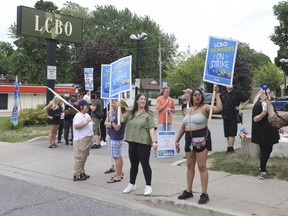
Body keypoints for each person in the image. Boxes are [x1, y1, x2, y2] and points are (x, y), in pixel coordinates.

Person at [175, 86, 222, 204]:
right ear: (192, 97)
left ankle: (204, 194)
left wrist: (216, 94)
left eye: (199, 95)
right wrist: (176, 140)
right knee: (190, 165)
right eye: (195, 95)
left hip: (201, 138)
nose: (197, 96)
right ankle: (188, 191)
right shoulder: (188, 109)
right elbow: (182, 127)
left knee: (202, 166)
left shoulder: (205, 107)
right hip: (188, 139)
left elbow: (219, 108)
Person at [120, 93, 157, 196]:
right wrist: (118, 108)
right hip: (132, 142)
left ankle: (148, 186)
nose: (143, 101)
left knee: (145, 164)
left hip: (143, 142)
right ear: (136, 101)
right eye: (141, 99)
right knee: (133, 164)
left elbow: (151, 128)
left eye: (145, 99)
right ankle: (132, 184)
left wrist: (154, 142)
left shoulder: (148, 114)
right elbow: (121, 120)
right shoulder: (131, 113)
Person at [252, 89, 280, 180]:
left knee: (268, 151)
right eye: (264, 93)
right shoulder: (258, 105)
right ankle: (262, 172)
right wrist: (263, 113)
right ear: (260, 95)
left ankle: (262, 168)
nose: (267, 95)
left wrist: (279, 126)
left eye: (268, 93)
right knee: (265, 152)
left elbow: (274, 116)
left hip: (270, 132)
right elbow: (255, 119)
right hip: (262, 133)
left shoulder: (269, 104)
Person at [220, 86, 249, 154]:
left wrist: (241, 107)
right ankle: (229, 147)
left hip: (233, 116)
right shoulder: (222, 94)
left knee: (232, 133)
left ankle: (231, 148)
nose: (229, 86)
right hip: (225, 116)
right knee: (227, 133)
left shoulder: (237, 93)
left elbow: (247, 99)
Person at [105, 99, 128, 183]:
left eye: (114, 104)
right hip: (113, 136)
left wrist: (111, 122)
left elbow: (117, 127)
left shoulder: (120, 115)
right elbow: (107, 124)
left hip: (116, 137)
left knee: (116, 156)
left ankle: (118, 175)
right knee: (117, 155)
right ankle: (119, 173)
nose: (112, 105)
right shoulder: (115, 113)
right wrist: (110, 123)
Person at [72, 99, 93, 181]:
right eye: (86, 106)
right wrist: (86, 122)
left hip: (88, 138)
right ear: (81, 107)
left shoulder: (87, 115)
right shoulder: (78, 116)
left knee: (84, 157)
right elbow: (76, 126)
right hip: (80, 139)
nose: (88, 107)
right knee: (79, 157)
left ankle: (82, 172)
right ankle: (76, 174)